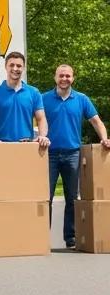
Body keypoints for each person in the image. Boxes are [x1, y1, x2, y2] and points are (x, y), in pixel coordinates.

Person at [42, 63, 110, 249]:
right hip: (49, 154)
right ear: (55, 77)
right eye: (61, 75)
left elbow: (96, 121)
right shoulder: (44, 98)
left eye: (68, 76)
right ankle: (41, 237)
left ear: (73, 78)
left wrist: (104, 139)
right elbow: (35, 119)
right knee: (44, 197)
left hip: (73, 154)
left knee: (72, 197)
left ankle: (70, 238)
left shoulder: (81, 99)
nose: (64, 79)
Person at [0, 51, 49, 146]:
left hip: (26, 146)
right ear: (6, 66)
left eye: (19, 66)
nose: (15, 68)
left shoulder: (34, 92)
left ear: (24, 68)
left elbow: (41, 118)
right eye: (11, 65)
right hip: (3, 146)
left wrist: (42, 136)